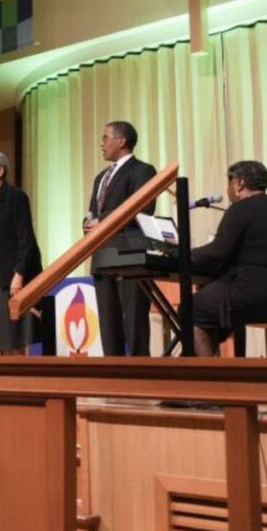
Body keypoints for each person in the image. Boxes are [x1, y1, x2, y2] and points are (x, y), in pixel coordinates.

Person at [191, 161, 267, 356]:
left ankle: (209, 378)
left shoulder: (241, 208)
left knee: (191, 309)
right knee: (214, 309)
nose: (227, 190)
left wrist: (182, 254)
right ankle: (218, 371)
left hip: (254, 289)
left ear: (239, 184)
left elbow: (218, 252)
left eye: (229, 182)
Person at [84, 121, 157, 356]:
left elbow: (143, 208)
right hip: (102, 254)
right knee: (108, 320)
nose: (101, 143)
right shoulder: (100, 177)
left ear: (122, 141)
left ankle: (140, 375)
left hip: (130, 253)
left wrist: (102, 220)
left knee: (134, 319)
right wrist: (87, 224)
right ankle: (112, 375)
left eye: (105, 137)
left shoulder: (143, 170)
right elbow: (92, 211)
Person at [0, 151, 42, 355]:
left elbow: (26, 238)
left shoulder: (16, 197)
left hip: (13, 274)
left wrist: (19, 273)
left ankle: (20, 378)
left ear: (1, 170)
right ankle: (0, 377)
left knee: (15, 333)